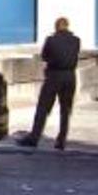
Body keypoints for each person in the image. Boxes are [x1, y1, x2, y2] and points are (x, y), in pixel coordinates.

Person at [17, 17, 81, 151]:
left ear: (56, 27)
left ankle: (34, 137)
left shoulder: (51, 40)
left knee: (43, 108)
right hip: (70, 77)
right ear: (67, 26)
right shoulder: (76, 41)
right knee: (65, 110)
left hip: (54, 76)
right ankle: (61, 141)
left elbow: (44, 56)